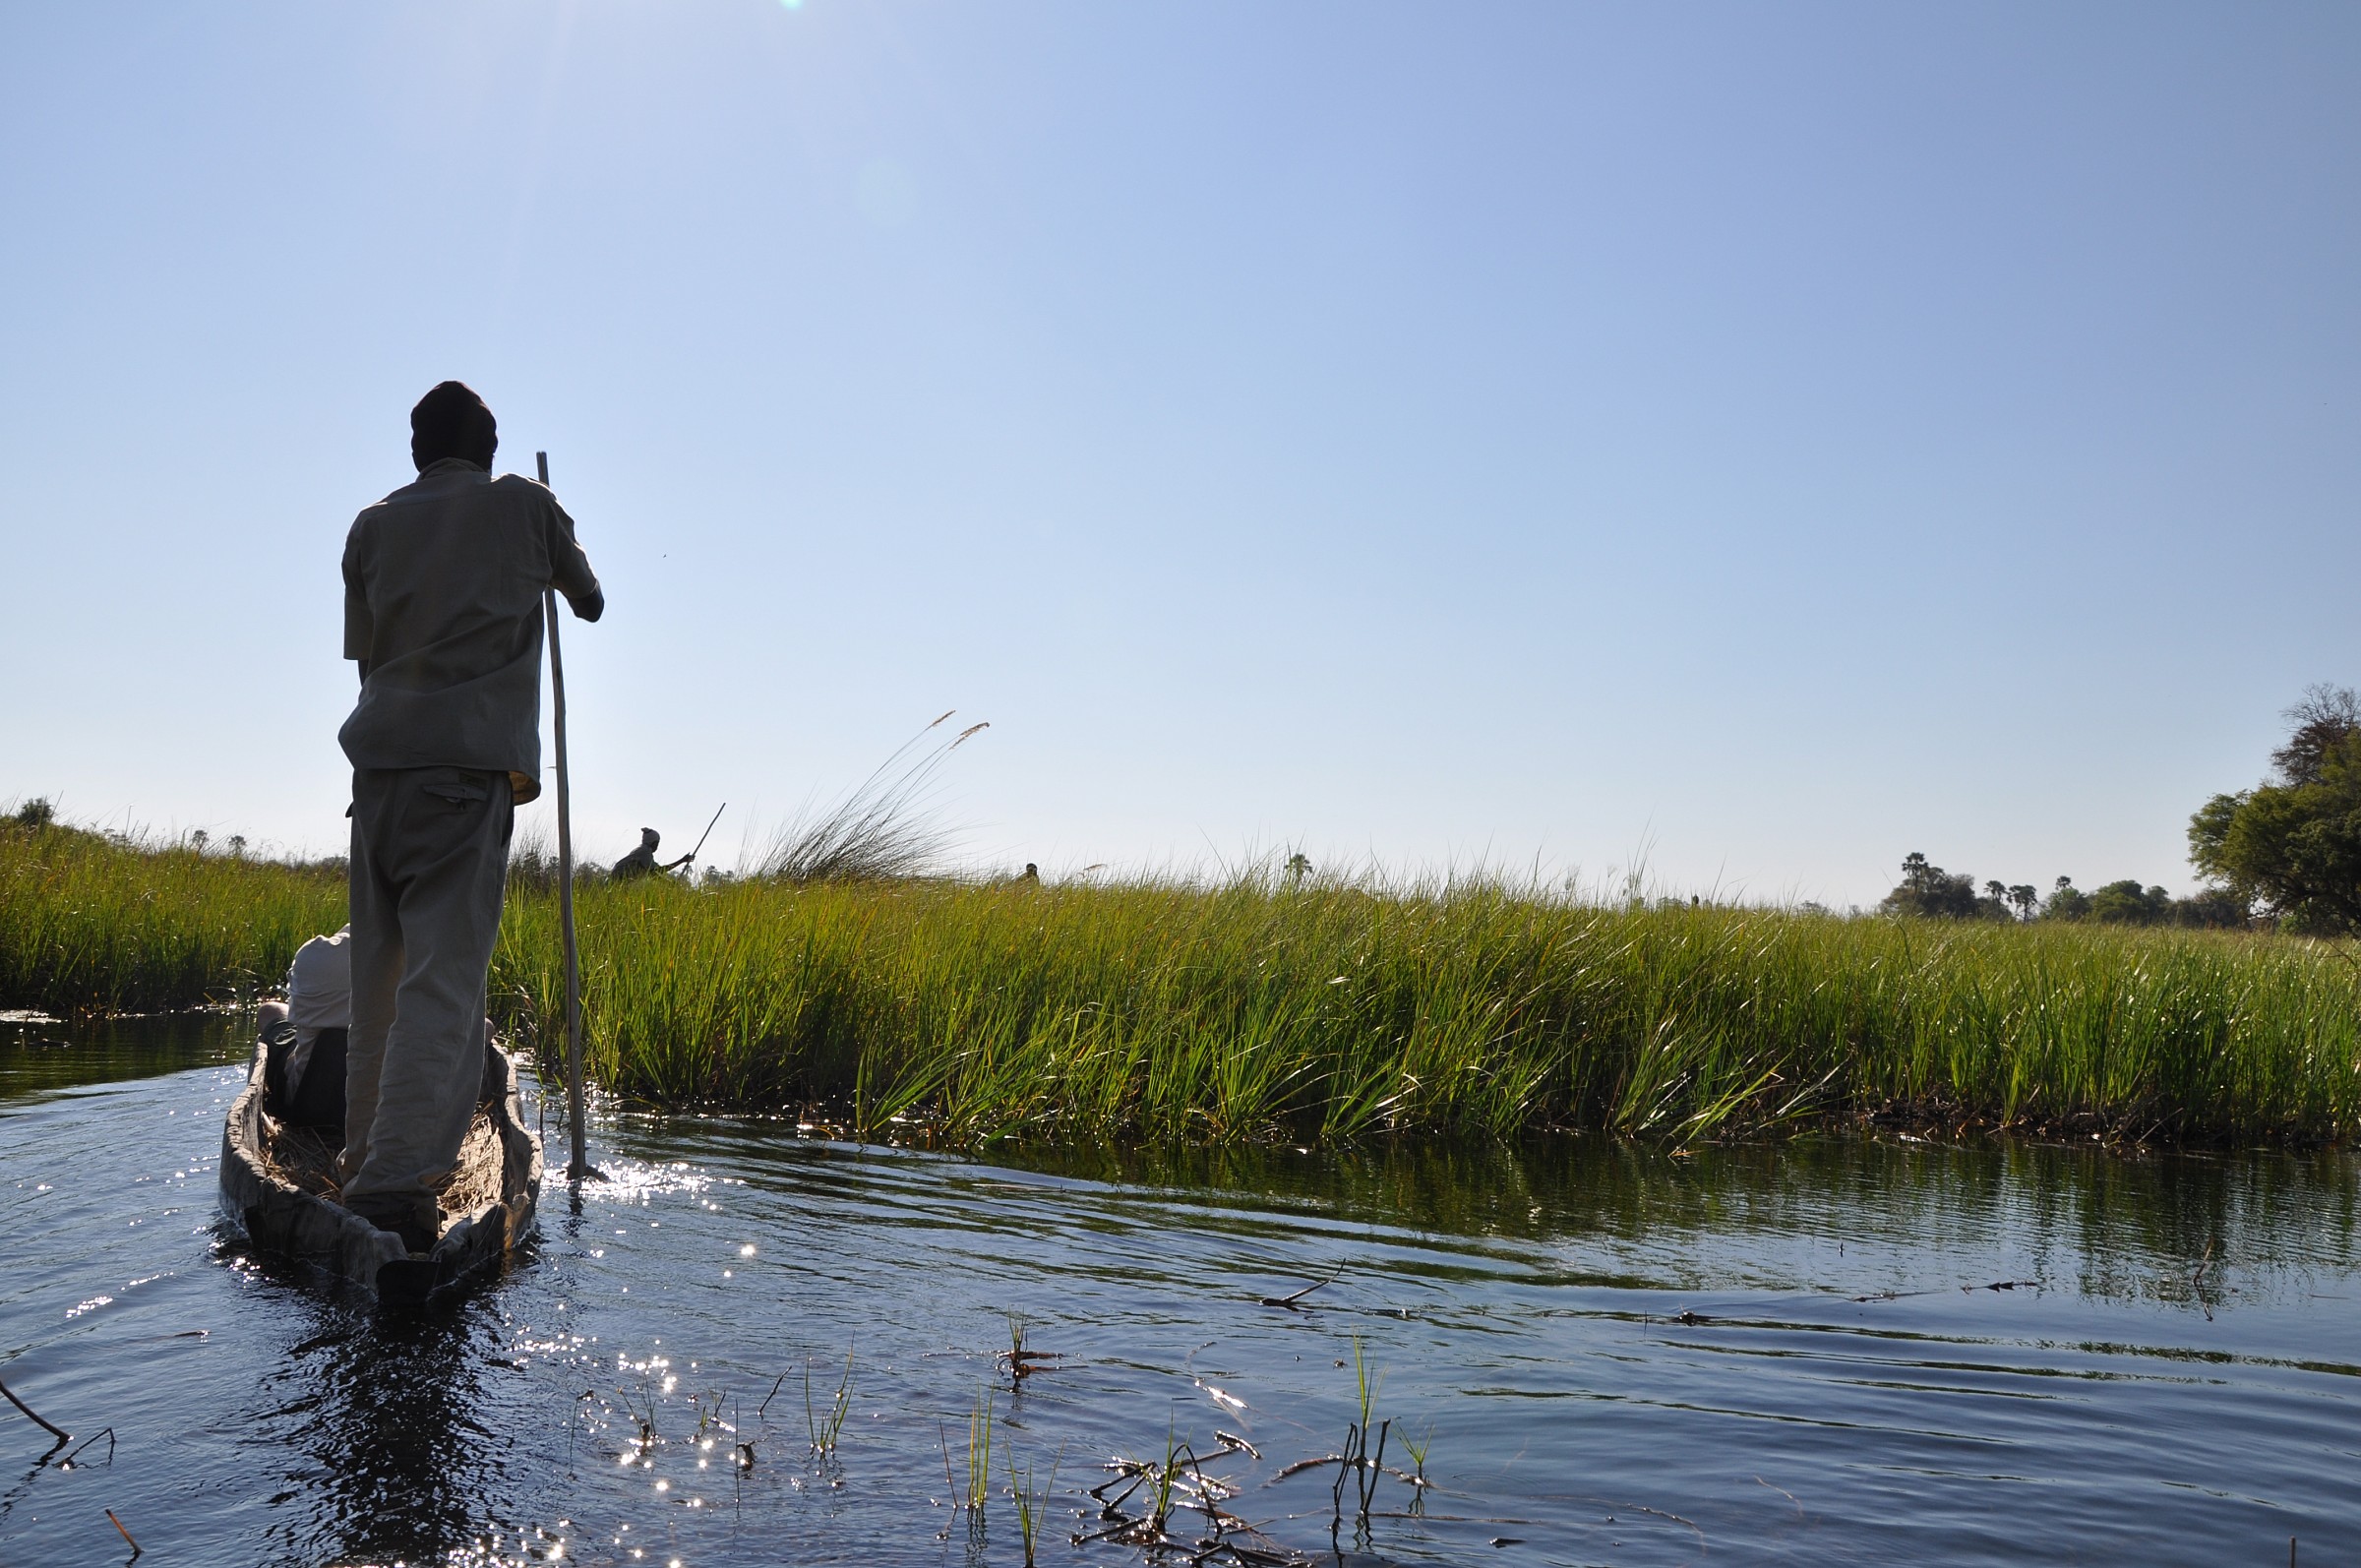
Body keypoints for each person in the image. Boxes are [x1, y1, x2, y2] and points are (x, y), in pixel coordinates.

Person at [336, 380, 603, 1253]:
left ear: (417, 450)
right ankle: (393, 1185)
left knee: (380, 977)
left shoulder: (372, 526)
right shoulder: (524, 505)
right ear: (489, 449)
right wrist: (546, 556)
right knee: (443, 983)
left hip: (377, 776)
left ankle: (362, 1157)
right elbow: (590, 598)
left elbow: (367, 658)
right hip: (463, 773)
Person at [611, 826, 694, 879]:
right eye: (657, 843)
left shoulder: (641, 850)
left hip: (618, 881)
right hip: (616, 881)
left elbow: (652, 874)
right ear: (653, 843)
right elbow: (659, 870)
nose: (657, 846)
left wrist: (670, 884)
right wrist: (682, 860)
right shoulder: (645, 852)